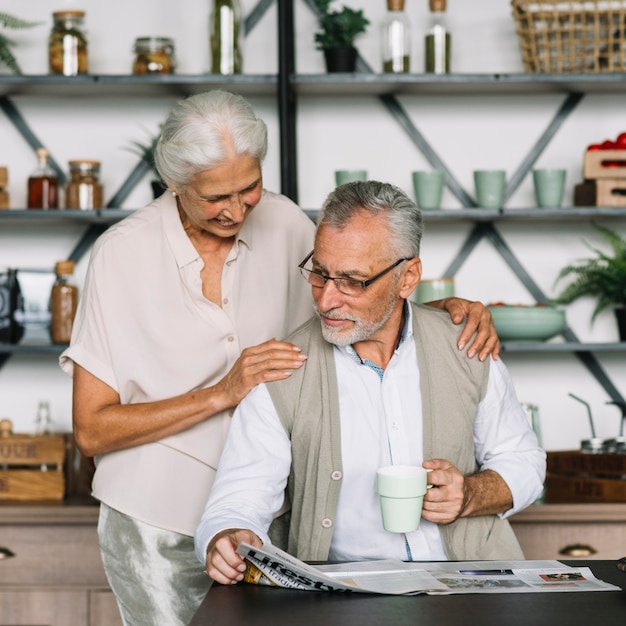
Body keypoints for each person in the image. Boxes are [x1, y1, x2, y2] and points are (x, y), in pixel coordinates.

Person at [60, 91, 500, 625]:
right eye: (215, 197)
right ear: (174, 183)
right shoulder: (120, 256)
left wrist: (439, 311)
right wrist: (220, 392)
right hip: (157, 523)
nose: (237, 209)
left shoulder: (287, 223)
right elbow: (92, 429)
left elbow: (354, 296)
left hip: (273, 527)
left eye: (250, 187)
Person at [196, 180, 546, 585]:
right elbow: (239, 498)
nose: (326, 299)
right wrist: (226, 535)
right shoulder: (280, 370)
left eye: (353, 281)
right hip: (344, 598)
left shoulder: (466, 345)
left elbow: (525, 463)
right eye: (320, 273)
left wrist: (469, 495)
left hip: (474, 589)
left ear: (408, 277)